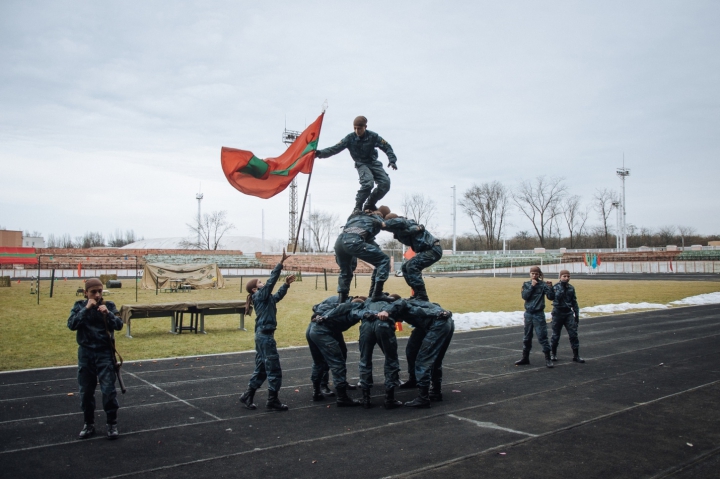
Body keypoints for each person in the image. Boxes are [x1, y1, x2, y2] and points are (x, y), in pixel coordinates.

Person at [239, 249, 296, 411]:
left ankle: (247, 396)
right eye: (259, 283)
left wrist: (286, 285)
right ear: (254, 290)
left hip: (262, 336)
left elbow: (276, 297)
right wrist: (280, 263)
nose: (262, 283)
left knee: (262, 368)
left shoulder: (264, 298)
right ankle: (272, 400)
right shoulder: (259, 296)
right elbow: (271, 282)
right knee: (273, 368)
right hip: (265, 337)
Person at [67, 278, 124, 440]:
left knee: (108, 391)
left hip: (104, 354)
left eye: (100, 291)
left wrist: (108, 314)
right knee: (86, 392)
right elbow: (72, 324)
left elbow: (119, 325)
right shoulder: (79, 306)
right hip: (86, 354)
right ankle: (88, 424)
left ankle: (112, 424)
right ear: (86, 293)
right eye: (93, 292)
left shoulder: (109, 306)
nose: (97, 295)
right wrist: (86, 309)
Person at [315, 116, 398, 214]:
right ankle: (357, 207)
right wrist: (319, 153)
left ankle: (370, 203)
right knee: (368, 183)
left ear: (365, 127)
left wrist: (392, 160)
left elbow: (386, 146)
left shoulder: (373, 136)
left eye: (359, 128)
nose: (357, 131)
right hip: (361, 164)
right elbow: (335, 148)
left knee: (385, 183)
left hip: (373, 162)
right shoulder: (349, 138)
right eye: (355, 128)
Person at [393, 299, 454, 408]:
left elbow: (420, 311)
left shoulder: (405, 307)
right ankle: (428, 387)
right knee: (414, 351)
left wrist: (440, 313)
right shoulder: (412, 301)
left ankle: (423, 398)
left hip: (438, 324)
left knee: (423, 360)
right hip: (440, 322)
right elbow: (435, 304)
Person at [307, 298, 368, 407]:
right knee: (337, 364)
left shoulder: (336, 304)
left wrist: (318, 315)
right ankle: (342, 397)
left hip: (313, 329)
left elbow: (317, 306)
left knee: (318, 363)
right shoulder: (353, 308)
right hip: (323, 332)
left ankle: (316, 392)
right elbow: (358, 312)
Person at [356, 295, 406, 409]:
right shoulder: (393, 303)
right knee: (391, 359)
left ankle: (366, 398)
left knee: (365, 360)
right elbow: (401, 314)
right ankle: (389, 398)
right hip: (383, 325)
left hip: (366, 326)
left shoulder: (368, 301)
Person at [383, 211, 442, 301]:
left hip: (433, 249)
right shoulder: (400, 230)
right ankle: (417, 293)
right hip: (427, 250)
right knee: (405, 268)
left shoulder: (404, 222)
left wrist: (382, 224)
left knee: (412, 266)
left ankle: (422, 296)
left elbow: (404, 224)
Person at [334, 209, 390, 301]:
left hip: (339, 242)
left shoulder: (355, 217)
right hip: (353, 241)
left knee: (345, 271)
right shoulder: (377, 218)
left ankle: (342, 299)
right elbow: (372, 235)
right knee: (384, 260)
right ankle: (377, 293)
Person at [515, 266, 555, 368]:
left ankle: (548, 358)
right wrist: (532, 287)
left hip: (538, 313)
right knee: (527, 337)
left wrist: (550, 287)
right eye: (532, 273)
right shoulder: (526, 284)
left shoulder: (543, 285)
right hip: (528, 313)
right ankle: (525, 357)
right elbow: (524, 296)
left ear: (539, 275)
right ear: (530, 274)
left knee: (542, 336)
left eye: (536, 274)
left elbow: (551, 297)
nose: (534, 275)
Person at [551, 270, 585, 363]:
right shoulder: (555, 287)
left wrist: (576, 314)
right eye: (564, 276)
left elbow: (574, 301)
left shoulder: (571, 288)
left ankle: (576, 355)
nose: (566, 278)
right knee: (555, 335)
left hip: (568, 313)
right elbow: (552, 297)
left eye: (568, 276)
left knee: (573, 334)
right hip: (557, 313)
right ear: (560, 277)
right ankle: (553, 354)